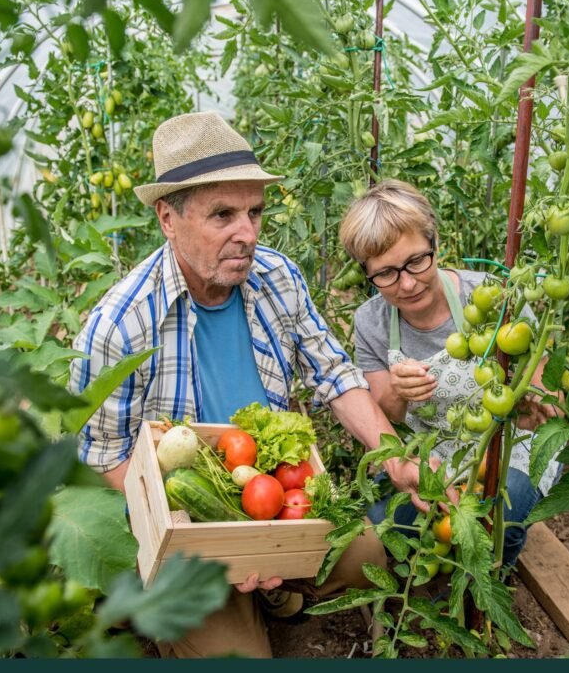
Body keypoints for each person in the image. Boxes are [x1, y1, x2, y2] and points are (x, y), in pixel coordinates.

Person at [69, 112, 421, 657]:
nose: (248, 233)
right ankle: (210, 606)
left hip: (279, 497)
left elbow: (333, 373)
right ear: (168, 218)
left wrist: (395, 456)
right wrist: (208, 539)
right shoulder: (121, 324)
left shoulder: (277, 277)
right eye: (223, 215)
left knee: (373, 554)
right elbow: (106, 458)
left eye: (255, 212)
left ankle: (281, 586)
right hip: (192, 529)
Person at [338, 179, 562, 567]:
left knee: (497, 522)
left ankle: (492, 580)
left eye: (416, 262)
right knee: (379, 526)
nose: (407, 284)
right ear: (366, 273)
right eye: (386, 274)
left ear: (435, 243)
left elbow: (549, 406)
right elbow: (387, 416)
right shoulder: (371, 321)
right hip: (434, 452)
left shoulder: (493, 303)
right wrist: (399, 390)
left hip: (507, 448)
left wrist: (529, 403)